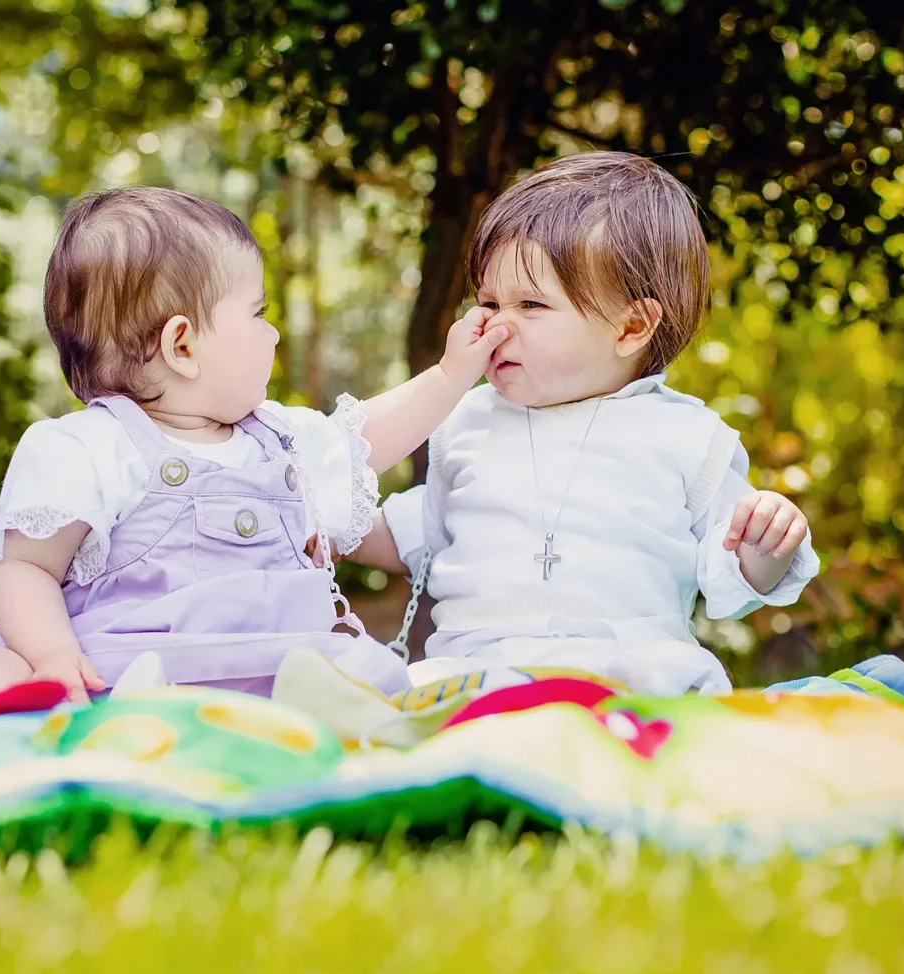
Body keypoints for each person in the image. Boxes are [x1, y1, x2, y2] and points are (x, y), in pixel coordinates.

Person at [0, 185, 502, 731]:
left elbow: (365, 438)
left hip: (278, 672)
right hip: (120, 680)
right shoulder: (86, 447)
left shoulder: (277, 437)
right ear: (183, 345)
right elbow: (25, 570)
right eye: (256, 314)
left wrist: (448, 376)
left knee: (365, 679)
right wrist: (50, 656)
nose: (274, 332)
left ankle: (351, 723)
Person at [351, 152, 820, 696]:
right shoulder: (465, 420)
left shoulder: (687, 436)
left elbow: (732, 575)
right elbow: (418, 532)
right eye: (488, 301)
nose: (497, 325)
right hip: (479, 675)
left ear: (632, 325)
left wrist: (766, 546)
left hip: (633, 675)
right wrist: (322, 519)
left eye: (530, 304)